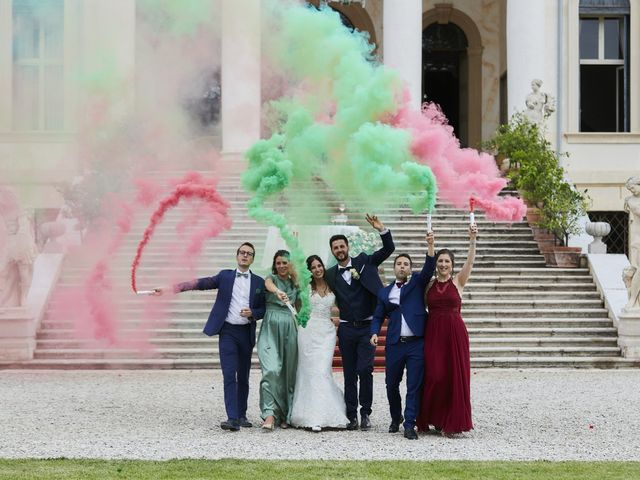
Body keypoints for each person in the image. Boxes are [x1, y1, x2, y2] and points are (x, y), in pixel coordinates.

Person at [156, 242, 265, 432]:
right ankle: (232, 418)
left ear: (253, 258)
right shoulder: (225, 276)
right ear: (237, 256)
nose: (245, 256)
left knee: (244, 376)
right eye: (242, 252)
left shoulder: (259, 282)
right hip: (228, 332)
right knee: (230, 374)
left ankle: (241, 414)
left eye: (249, 253)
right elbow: (200, 283)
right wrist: (171, 288)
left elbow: (264, 308)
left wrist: (253, 313)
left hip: (245, 333)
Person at [325, 214, 395, 431]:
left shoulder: (364, 261)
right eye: (335, 247)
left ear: (347, 247)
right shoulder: (329, 274)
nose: (339, 250)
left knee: (365, 370)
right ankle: (351, 415)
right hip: (345, 328)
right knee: (348, 374)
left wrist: (381, 229)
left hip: (367, 328)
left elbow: (388, 249)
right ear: (332, 251)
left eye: (341, 246)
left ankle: (366, 412)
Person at [370, 232, 435, 440]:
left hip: (416, 343)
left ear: (410, 268)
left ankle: (409, 424)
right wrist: (373, 332)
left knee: (413, 385)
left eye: (406, 264)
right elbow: (378, 316)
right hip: (395, 344)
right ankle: (395, 417)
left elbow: (429, 269)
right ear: (394, 267)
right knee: (391, 384)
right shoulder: (384, 292)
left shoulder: (417, 282)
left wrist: (430, 246)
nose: (402, 267)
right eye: (399, 264)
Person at [417, 224, 477, 436]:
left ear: (452, 265)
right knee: (435, 374)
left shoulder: (458, 281)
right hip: (433, 333)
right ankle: (434, 417)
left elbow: (470, 261)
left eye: (447, 261)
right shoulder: (429, 285)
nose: (443, 264)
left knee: (454, 377)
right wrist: (430, 245)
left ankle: (451, 422)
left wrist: (472, 239)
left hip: (454, 333)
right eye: (440, 261)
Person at [290, 255, 349, 432]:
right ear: (309, 270)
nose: (317, 269)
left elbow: (345, 303)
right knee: (309, 372)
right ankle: (312, 415)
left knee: (323, 371)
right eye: (313, 267)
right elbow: (293, 275)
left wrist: (339, 320)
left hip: (327, 333)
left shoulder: (332, 285)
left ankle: (329, 412)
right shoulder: (305, 286)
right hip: (308, 331)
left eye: (319, 266)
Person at [258, 249, 300, 431]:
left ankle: (284, 414)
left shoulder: (295, 284)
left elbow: (299, 307)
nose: (281, 266)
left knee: (288, 373)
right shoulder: (271, 279)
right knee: (271, 370)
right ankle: (269, 414)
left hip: (290, 328)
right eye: (278, 263)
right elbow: (268, 284)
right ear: (274, 265)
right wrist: (277, 292)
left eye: (285, 262)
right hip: (271, 327)